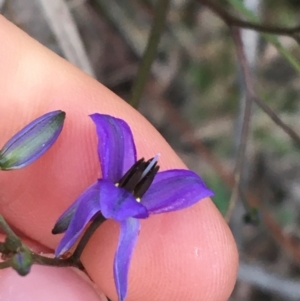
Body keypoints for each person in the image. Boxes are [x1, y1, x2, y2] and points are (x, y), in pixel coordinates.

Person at [0, 16, 238, 301]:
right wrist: (71, 234)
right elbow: (109, 126)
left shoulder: (127, 209)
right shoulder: (111, 168)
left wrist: (71, 238)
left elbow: (191, 186)